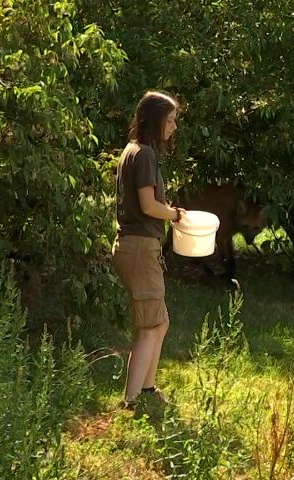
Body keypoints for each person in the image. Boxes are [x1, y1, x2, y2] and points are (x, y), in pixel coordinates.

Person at [111, 91, 184, 409]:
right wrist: (175, 214)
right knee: (150, 325)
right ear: (155, 122)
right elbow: (148, 205)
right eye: (170, 121)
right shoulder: (144, 155)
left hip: (135, 246)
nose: (174, 127)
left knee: (160, 320)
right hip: (139, 247)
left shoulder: (134, 151)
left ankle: (148, 389)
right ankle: (131, 400)